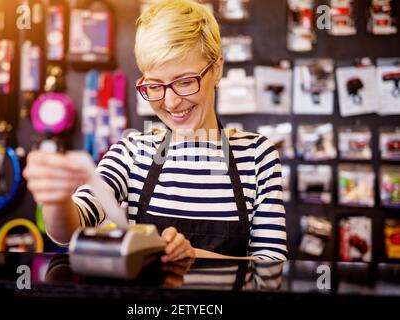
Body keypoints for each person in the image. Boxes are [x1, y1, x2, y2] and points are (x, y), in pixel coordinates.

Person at [23, 0, 287, 262]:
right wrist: (55, 200)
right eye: (155, 86)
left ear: (216, 69)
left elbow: (272, 266)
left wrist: (193, 256)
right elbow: (70, 229)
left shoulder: (256, 156)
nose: (171, 103)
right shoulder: (132, 153)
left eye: (184, 82)